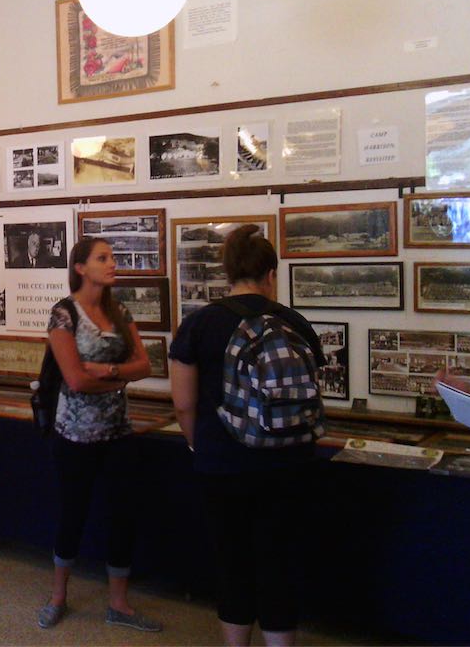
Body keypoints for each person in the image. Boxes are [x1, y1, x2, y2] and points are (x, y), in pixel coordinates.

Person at [168, 225, 325, 647]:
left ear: (227, 272)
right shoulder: (294, 321)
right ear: (270, 274)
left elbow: (183, 403)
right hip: (290, 461)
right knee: (280, 563)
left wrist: (199, 444)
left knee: (233, 561)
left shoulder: (199, 324)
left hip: (223, 463)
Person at [37, 237, 160, 632]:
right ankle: (58, 597)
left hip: (118, 433)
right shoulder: (63, 314)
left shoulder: (120, 311)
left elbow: (145, 366)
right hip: (73, 436)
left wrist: (105, 372)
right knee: (72, 516)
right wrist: (110, 378)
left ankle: (118, 604)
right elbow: (73, 377)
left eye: (112, 257)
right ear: (80, 268)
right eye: (102, 258)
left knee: (122, 516)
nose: (112, 264)